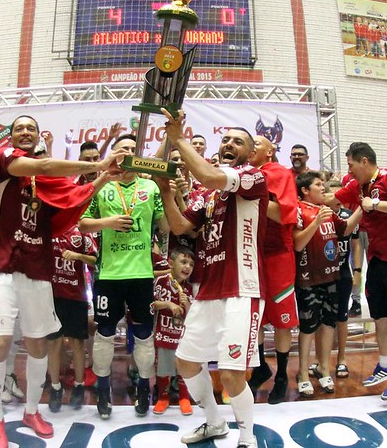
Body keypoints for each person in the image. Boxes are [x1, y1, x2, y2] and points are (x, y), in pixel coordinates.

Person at [0, 115, 125, 448]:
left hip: (37, 270)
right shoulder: (6, 159)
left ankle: (32, 411)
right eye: (19, 128)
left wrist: (103, 177)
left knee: (38, 345)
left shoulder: (44, 184)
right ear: (12, 137)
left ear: (38, 136)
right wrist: (99, 163)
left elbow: (75, 198)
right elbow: (44, 165)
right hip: (0, 267)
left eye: (31, 128)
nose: (25, 132)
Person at [158, 109, 268, 448]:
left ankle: (247, 438)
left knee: (232, 373)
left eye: (238, 141)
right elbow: (180, 227)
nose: (229, 144)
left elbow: (207, 175)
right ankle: (215, 423)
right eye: (225, 140)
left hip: (242, 289)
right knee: (186, 361)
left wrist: (177, 138)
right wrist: (165, 191)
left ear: (250, 152)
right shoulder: (207, 196)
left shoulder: (252, 176)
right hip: (208, 291)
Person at [78, 134, 168, 419]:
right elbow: (82, 224)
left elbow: (166, 226)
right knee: (104, 334)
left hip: (141, 274)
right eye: (122, 149)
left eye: (132, 149)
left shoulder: (150, 186)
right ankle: (103, 393)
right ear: (114, 155)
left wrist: (171, 192)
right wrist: (109, 223)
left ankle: (144, 390)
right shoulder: (102, 185)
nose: (128, 153)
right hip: (109, 274)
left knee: (143, 335)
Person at [332, 141, 387, 400]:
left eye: (351, 165)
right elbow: (333, 203)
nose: (349, 170)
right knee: (379, 316)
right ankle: (385, 363)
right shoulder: (359, 187)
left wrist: (376, 204)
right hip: (377, 259)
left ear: (364, 161)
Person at [293, 171, 362, 397]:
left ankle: (323, 369)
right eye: (318, 184)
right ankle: (303, 373)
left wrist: (363, 206)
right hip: (308, 279)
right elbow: (297, 244)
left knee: (328, 324)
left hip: (332, 278)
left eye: (323, 184)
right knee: (308, 327)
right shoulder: (299, 210)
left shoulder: (328, 211)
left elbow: (346, 228)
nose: (323, 188)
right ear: (305, 190)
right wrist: (316, 223)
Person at [247, 136, 299, 404]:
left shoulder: (277, 173)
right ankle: (259, 367)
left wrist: (251, 196)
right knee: (254, 317)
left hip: (277, 254)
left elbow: (283, 214)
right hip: (250, 253)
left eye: (257, 144)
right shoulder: (243, 174)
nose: (252, 147)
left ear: (270, 151)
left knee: (281, 320)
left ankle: (281, 376)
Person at [47, 224, 96, 412]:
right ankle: (55, 388)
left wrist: (78, 256)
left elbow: (96, 260)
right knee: (54, 343)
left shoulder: (81, 232)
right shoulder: (49, 229)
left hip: (76, 296)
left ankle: (78, 386)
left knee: (77, 343)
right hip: (52, 296)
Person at [152, 245, 195, 416]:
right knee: (163, 369)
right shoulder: (160, 281)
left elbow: (193, 315)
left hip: (181, 337)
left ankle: (184, 397)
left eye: (191, 265)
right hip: (163, 333)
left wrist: (187, 304)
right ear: (171, 263)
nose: (187, 267)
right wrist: (168, 304)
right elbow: (151, 304)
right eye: (183, 262)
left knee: (183, 368)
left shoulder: (189, 288)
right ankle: (163, 397)